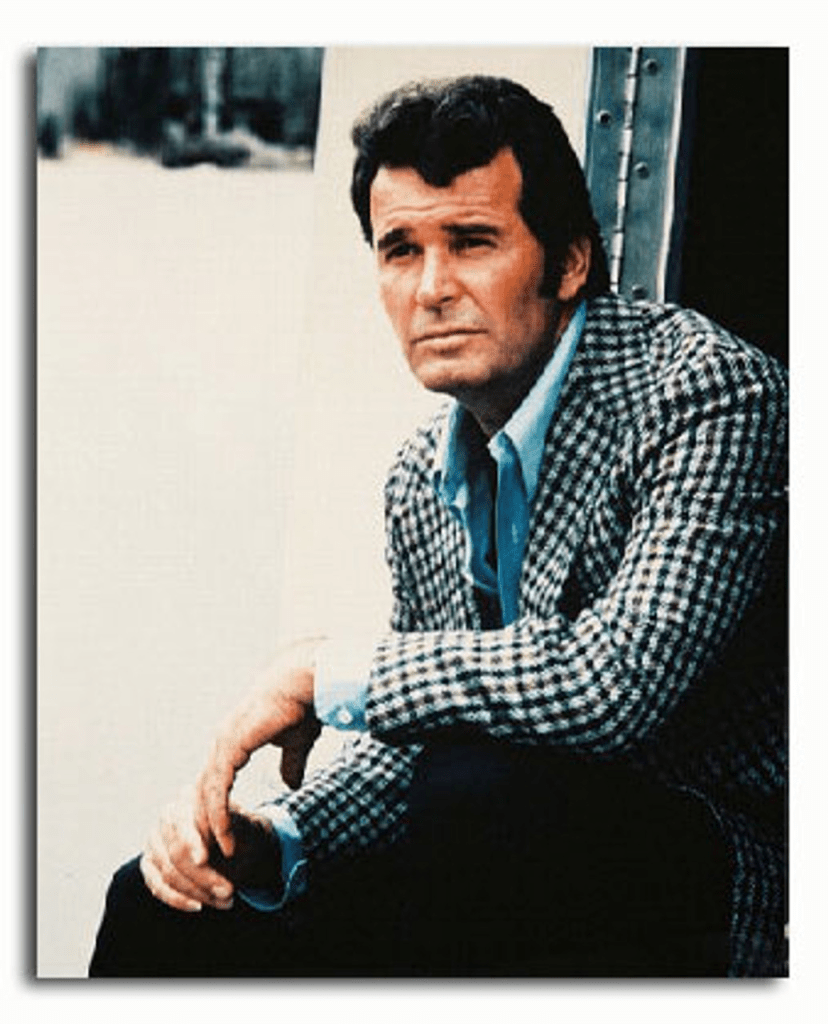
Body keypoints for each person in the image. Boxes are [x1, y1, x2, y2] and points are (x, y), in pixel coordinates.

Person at [89, 75, 788, 978]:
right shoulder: (422, 475)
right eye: (400, 250)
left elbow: (615, 682)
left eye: (471, 242)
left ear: (571, 261)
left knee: (475, 802)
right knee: (162, 902)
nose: (431, 288)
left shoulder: (705, 393)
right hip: (502, 848)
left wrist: (326, 671)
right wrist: (270, 838)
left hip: (719, 864)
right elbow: (411, 749)